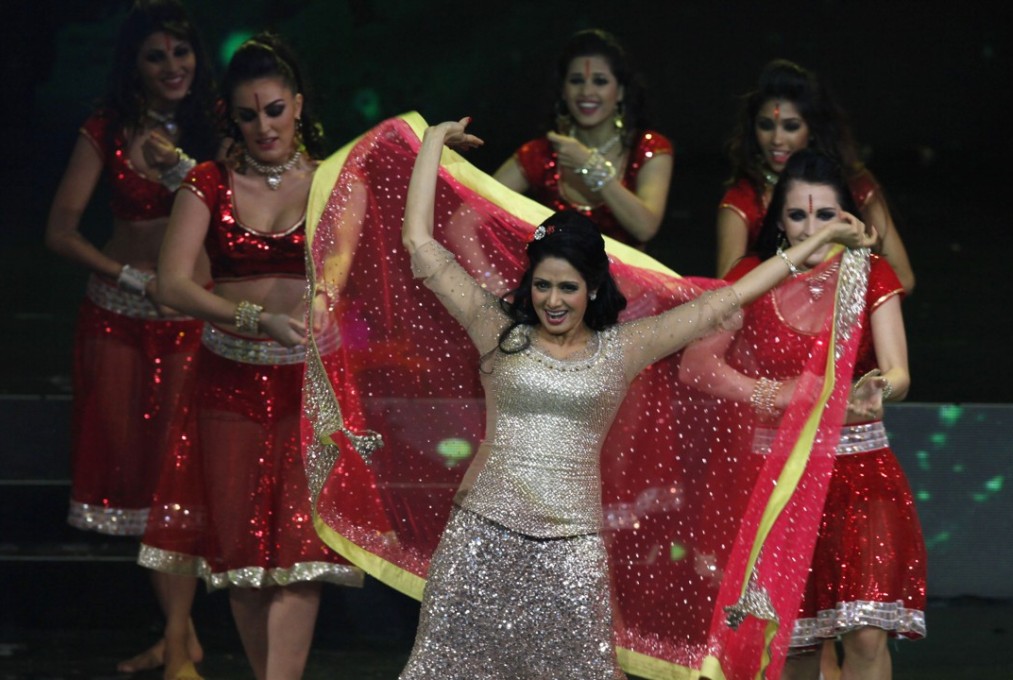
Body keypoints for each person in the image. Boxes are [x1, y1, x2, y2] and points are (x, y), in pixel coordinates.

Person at [391, 119, 875, 678]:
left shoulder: (622, 348)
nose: (553, 299)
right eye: (542, 285)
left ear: (592, 289)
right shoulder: (498, 331)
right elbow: (419, 243)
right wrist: (430, 146)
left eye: (567, 287)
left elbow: (730, 297)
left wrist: (816, 242)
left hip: (572, 556)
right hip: (480, 542)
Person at [137, 34, 361, 680]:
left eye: (273, 110)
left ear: (296, 105)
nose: (263, 126)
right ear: (230, 118)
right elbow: (171, 282)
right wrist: (251, 317)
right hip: (226, 382)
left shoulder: (329, 182)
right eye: (247, 115)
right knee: (242, 556)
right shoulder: (208, 183)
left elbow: (347, 274)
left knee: (299, 548)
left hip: (304, 387)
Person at [697, 150, 926, 679]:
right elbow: (699, 366)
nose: (811, 227)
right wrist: (771, 395)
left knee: (866, 633)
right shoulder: (753, 275)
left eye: (825, 215)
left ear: (847, 217)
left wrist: (874, 391)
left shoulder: (870, 272)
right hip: (777, 479)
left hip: (860, 471)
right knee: (792, 643)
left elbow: (899, 374)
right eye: (798, 216)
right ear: (779, 220)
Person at [43, 0, 220, 674]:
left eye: (181, 52)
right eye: (156, 55)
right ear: (135, 65)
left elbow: (241, 209)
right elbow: (60, 229)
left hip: (192, 320)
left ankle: (178, 643)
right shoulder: (107, 127)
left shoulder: (222, 124)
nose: (172, 66)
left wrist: (180, 168)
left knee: (181, 479)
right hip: (117, 319)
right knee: (143, 481)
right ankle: (179, 637)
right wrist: (127, 276)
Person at [716, 59, 915, 294]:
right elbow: (727, 294)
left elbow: (903, 278)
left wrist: (839, 302)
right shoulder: (744, 197)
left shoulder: (854, 184)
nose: (777, 139)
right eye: (766, 125)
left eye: (791, 127)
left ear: (812, 130)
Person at [493, 28, 673, 249]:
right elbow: (478, 208)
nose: (587, 91)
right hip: (555, 281)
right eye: (576, 80)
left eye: (600, 81)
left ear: (621, 92)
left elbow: (645, 227)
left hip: (624, 282)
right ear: (563, 91)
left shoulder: (649, 147)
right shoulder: (541, 152)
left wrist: (589, 165)